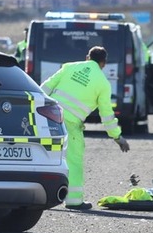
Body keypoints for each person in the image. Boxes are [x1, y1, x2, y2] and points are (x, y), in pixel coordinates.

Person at [41, 45, 130, 210]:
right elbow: (107, 116)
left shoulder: (69, 67)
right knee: (73, 160)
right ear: (104, 63)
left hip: (47, 116)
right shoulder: (103, 83)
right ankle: (74, 201)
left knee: (43, 154)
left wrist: (34, 108)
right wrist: (117, 136)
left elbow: (45, 87)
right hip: (70, 123)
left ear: (87, 57)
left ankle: (36, 196)